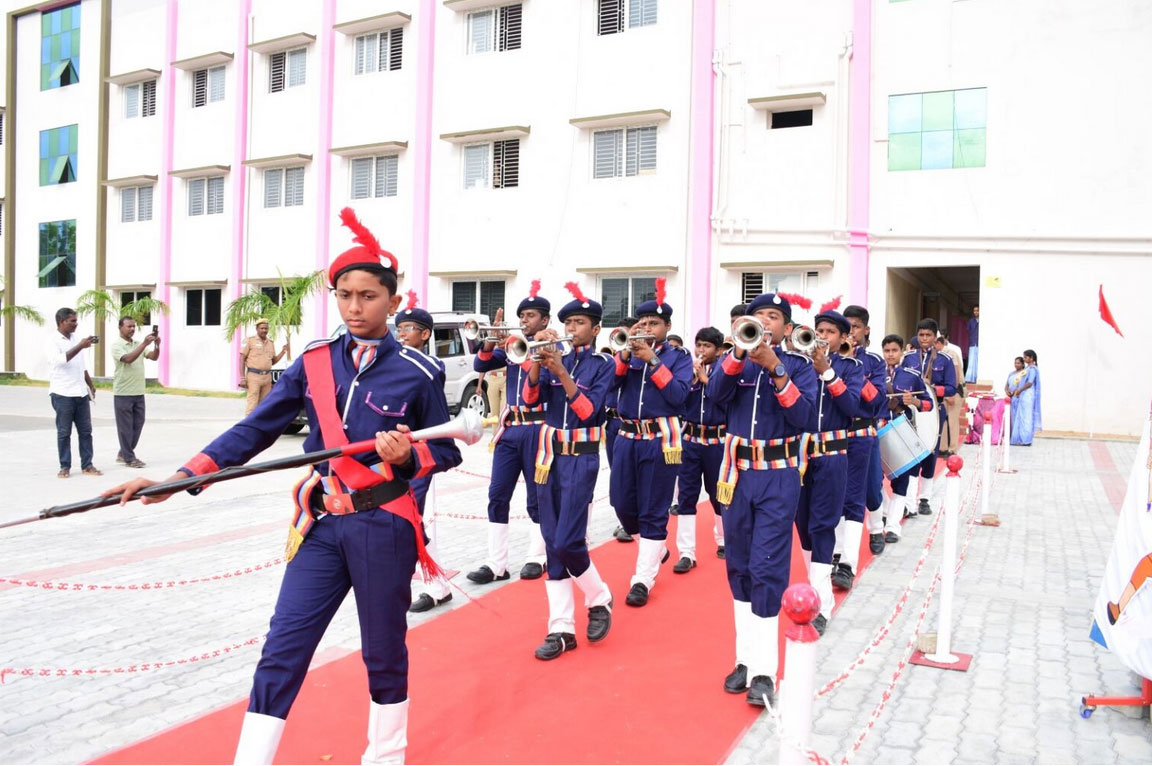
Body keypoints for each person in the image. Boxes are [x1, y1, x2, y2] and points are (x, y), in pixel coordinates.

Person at [104, 208, 463, 765]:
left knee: (383, 651)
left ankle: (386, 755)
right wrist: (182, 478)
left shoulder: (418, 372)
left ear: (392, 302)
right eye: (344, 295)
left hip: (382, 524)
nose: (354, 307)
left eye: (368, 297)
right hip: (321, 526)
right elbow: (256, 428)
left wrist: (408, 456)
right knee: (283, 647)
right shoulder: (315, 361)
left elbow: (446, 449)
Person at [707, 293, 816, 706]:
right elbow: (715, 396)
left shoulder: (799, 367)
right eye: (757, 316)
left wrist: (776, 369)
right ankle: (744, 658)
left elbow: (804, 418)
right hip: (736, 476)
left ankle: (765, 670)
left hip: (778, 476)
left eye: (773, 316)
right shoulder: (733, 362)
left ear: (786, 328)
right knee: (738, 566)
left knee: (767, 566)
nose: (764, 322)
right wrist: (739, 352)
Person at [521, 282, 616, 660]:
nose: (572, 328)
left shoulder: (603, 364)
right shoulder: (551, 357)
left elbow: (588, 412)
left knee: (568, 540)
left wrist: (561, 372)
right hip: (548, 456)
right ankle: (560, 628)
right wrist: (535, 359)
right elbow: (529, 400)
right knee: (551, 542)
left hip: (580, 458)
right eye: (568, 323)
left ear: (595, 329)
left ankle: (598, 595)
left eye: (579, 323)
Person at [609, 278, 694, 608]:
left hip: (661, 439)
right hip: (627, 437)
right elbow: (609, 387)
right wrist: (624, 355)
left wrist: (653, 361)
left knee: (654, 508)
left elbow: (678, 396)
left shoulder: (679, 357)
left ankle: (642, 579)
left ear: (667, 327)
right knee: (621, 503)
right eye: (643, 323)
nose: (647, 329)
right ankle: (656, 547)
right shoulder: (627, 354)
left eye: (654, 324)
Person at [467, 282, 551, 584]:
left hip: (538, 429)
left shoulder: (552, 348)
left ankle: (537, 556)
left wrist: (518, 349)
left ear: (545, 320)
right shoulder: (514, 346)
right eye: (522, 316)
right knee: (497, 494)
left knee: (536, 496)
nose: (525, 321)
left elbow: (542, 379)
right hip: (510, 429)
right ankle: (496, 564)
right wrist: (492, 339)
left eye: (531, 316)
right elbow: (480, 363)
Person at [793, 310, 862, 633]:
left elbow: (852, 407)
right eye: (818, 330)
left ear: (843, 337)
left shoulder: (851, 368)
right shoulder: (799, 364)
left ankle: (821, 601)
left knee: (822, 525)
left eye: (830, 332)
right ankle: (814, 587)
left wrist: (828, 372)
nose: (822, 336)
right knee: (803, 524)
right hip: (799, 455)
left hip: (832, 455)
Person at [395, 292, 454, 614]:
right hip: (393, 455)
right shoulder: (391, 365)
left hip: (420, 455)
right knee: (406, 520)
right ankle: (435, 583)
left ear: (426, 334)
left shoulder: (430, 366)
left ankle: (434, 585)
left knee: (416, 519)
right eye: (399, 328)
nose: (402, 334)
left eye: (409, 329)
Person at [833, 304, 886, 587]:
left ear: (866, 330)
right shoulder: (828, 359)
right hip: (836, 435)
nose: (851, 332)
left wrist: (855, 370)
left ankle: (875, 528)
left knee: (870, 490)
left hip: (863, 433)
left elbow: (876, 400)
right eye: (847, 327)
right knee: (839, 495)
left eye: (855, 326)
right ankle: (841, 555)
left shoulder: (874, 362)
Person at [672, 326, 728, 571]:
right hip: (691, 440)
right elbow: (677, 400)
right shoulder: (687, 370)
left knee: (718, 494)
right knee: (686, 495)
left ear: (719, 350)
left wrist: (707, 380)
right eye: (699, 345)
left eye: (707, 346)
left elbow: (728, 402)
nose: (701, 350)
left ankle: (724, 539)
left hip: (717, 442)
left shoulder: (726, 371)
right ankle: (686, 552)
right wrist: (692, 381)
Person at [880, 334, 933, 543]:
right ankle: (886, 511)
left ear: (902, 352)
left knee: (901, 481)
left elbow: (928, 404)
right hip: (877, 430)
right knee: (874, 481)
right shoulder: (874, 372)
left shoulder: (912, 375)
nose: (890, 354)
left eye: (894, 350)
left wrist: (915, 402)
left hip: (901, 430)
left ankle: (893, 527)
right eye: (887, 351)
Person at [901, 318, 956, 516]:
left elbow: (951, 388)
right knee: (912, 451)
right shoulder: (908, 358)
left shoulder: (945, 360)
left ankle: (924, 498)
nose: (924, 338)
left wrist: (930, 389)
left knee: (930, 452)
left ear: (935, 337)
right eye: (921, 335)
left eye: (928, 335)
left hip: (934, 410)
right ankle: (909, 502)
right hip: (912, 409)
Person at [46, 307, 101, 478]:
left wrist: (90, 384)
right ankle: (65, 466)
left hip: (80, 393)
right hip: (62, 394)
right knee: (64, 433)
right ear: (62, 322)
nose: (76, 324)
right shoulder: (52, 341)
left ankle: (87, 465)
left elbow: (81, 366)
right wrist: (80, 346)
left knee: (86, 432)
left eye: (76, 321)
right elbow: (60, 360)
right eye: (73, 321)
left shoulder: (76, 339)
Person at [111, 317, 160, 468]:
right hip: (123, 392)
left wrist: (157, 345)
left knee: (138, 424)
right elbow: (128, 359)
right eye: (129, 326)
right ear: (120, 328)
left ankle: (123, 453)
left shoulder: (138, 344)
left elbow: (153, 357)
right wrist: (145, 344)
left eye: (133, 326)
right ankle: (129, 458)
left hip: (138, 391)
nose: (132, 329)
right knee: (125, 428)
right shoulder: (117, 345)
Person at [607, 316, 638, 544]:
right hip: (613, 422)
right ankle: (622, 519)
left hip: (632, 423)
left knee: (634, 476)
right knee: (617, 475)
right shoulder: (614, 360)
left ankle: (634, 522)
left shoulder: (639, 360)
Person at [240, 319, 289, 416]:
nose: (264, 330)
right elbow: (241, 359)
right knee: (252, 403)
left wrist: (283, 351)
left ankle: (261, 424)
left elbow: (273, 361)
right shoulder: (250, 341)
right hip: (253, 376)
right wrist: (242, 378)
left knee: (264, 404)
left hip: (267, 377)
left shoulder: (270, 343)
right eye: (262, 328)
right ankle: (249, 424)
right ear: (257, 329)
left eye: (266, 328)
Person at [934, 331, 965, 456]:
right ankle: (943, 448)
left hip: (953, 391)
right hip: (943, 392)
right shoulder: (936, 355)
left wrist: (952, 393)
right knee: (943, 420)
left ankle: (952, 449)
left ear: (939, 343)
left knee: (952, 421)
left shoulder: (950, 354)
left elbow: (956, 374)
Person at [1008, 350, 1042, 445]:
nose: (1024, 359)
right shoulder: (1027, 369)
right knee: (1021, 417)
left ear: (1031, 358)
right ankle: (1020, 439)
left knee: (1026, 417)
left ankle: (1026, 440)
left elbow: (1029, 383)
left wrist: (1020, 390)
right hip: (1023, 395)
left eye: (1026, 357)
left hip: (1028, 395)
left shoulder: (1033, 369)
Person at [965, 305, 979, 383]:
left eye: (977, 310)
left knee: (978, 361)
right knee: (971, 361)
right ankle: (970, 378)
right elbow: (968, 330)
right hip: (973, 343)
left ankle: (977, 377)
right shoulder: (971, 321)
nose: (976, 312)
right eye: (975, 311)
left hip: (980, 343)